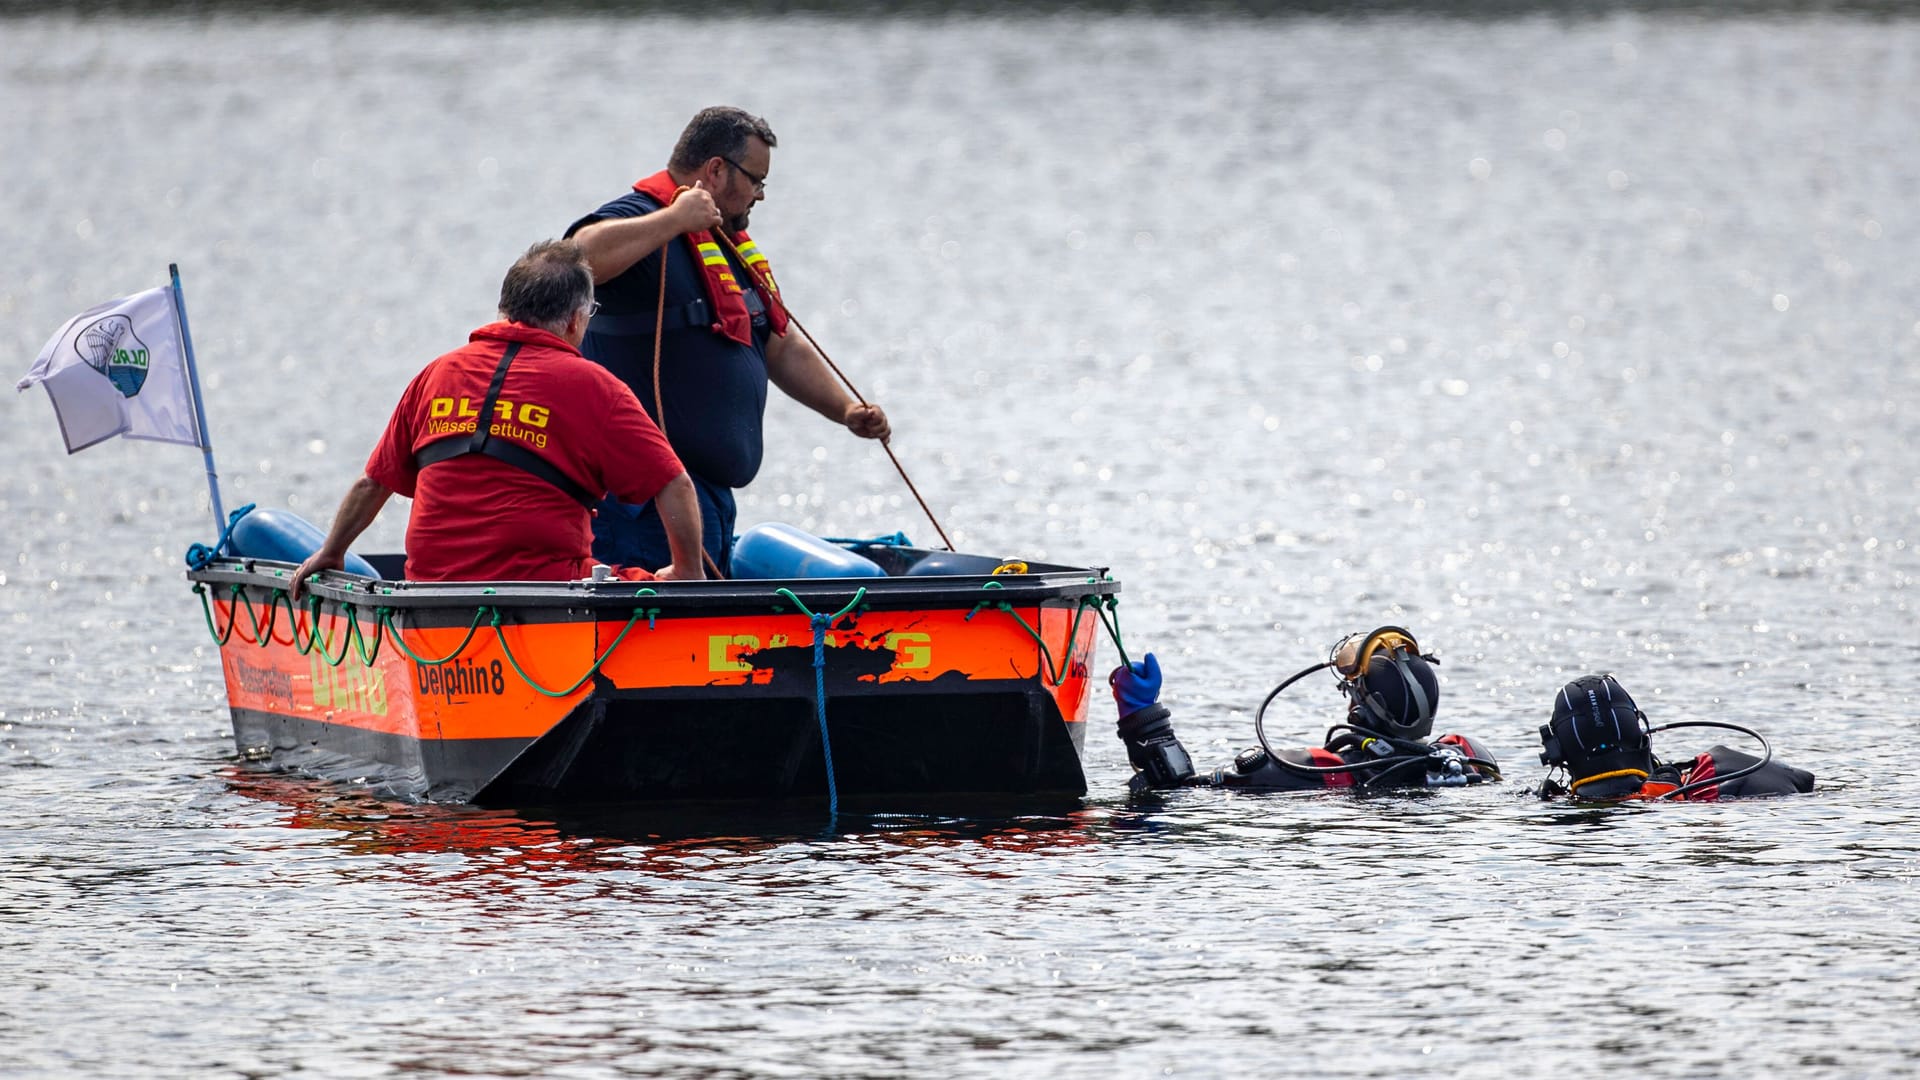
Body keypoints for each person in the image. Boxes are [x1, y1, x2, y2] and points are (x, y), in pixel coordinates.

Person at [565, 106, 890, 576]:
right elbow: (575, 259)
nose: (760, 195)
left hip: (707, 501)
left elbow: (778, 344)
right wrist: (673, 220)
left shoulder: (728, 244)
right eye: (756, 180)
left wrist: (845, 410)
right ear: (716, 170)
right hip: (642, 506)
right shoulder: (643, 217)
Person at [290, 240, 704, 594]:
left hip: (433, 595)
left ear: (506, 307)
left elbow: (373, 482)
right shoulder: (597, 388)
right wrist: (687, 572)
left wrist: (332, 551)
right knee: (643, 582)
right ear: (577, 319)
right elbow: (675, 484)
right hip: (547, 592)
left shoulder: (438, 374)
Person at [1112, 626, 1501, 793]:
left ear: (1366, 706)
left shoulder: (1321, 769)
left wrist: (1144, 716)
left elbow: (1182, 791)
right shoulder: (1465, 756)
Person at [1536, 674, 1814, 800]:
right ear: (1641, 733)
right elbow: (1804, 781)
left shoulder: (1551, 804)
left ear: (1557, 752)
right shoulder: (1714, 776)